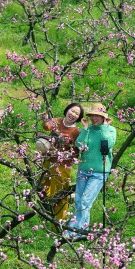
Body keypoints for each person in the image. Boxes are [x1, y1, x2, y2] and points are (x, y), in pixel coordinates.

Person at [64, 102, 116, 239]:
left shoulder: (110, 130)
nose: (94, 118)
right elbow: (80, 145)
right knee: (79, 201)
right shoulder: (87, 130)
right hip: (84, 169)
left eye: (97, 116)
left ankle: (75, 231)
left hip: (99, 172)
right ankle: (81, 230)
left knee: (85, 201)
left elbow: (107, 144)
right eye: (92, 115)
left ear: (103, 117)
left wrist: (104, 127)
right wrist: (86, 129)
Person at [40, 103, 84, 229]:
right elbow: (46, 126)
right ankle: (48, 211)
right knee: (43, 187)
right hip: (48, 160)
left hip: (63, 167)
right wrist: (45, 118)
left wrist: (65, 156)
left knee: (59, 194)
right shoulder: (57, 121)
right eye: (72, 111)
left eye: (77, 114)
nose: (73, 114)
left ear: (79, 118)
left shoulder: (76, 132)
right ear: (67, 110)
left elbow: (77, 151)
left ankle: (57, 225)